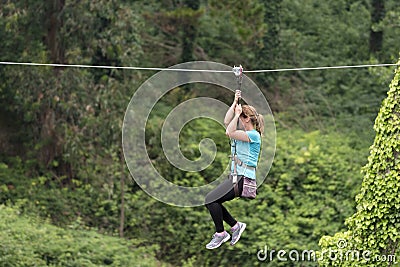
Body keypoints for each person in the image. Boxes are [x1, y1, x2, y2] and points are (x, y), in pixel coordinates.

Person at [205, 90, 264, 249]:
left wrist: (237, 114)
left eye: (240, 117)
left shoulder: (254, 135)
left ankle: (221, 233)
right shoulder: (241, 133)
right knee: (213, 201)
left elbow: (228, 131)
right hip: (236, 177)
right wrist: (234, 102)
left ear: (246, 119)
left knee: (211, 200)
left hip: (243, 178)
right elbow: (226, 122)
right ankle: (234, 226)